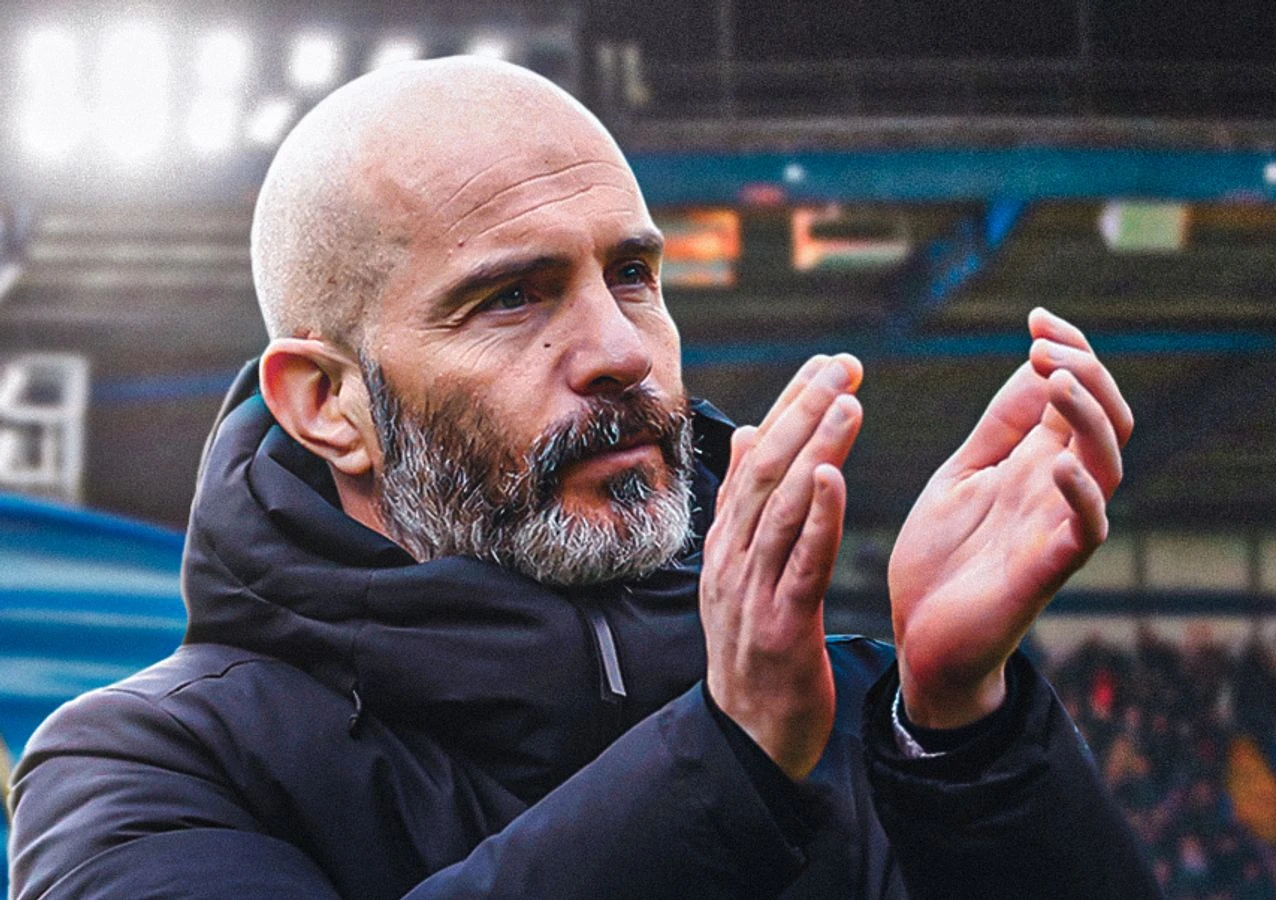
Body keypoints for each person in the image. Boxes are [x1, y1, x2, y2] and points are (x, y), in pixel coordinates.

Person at [7, 57, 1157, 899]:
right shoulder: (145, 766)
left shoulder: (864, 711)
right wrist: (727, 760)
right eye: (512, 297)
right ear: (327, 404)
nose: (618, 350)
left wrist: (965, 736)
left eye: (634, 275)